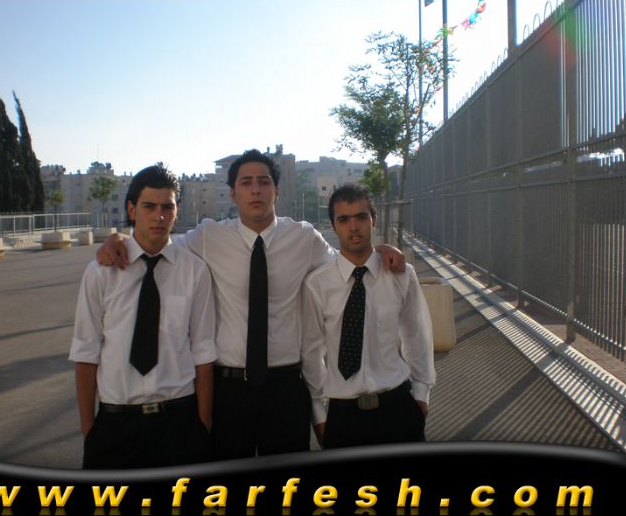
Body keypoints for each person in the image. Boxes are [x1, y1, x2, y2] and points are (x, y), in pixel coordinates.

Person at [97, 149, 405, 460]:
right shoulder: (209, 236)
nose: (256, 190)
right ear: (233, 193)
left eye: (263, 181)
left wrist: (380, 249)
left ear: (276, 191)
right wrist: (120, 238)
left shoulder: (303, 238)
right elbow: (158, 244)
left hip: (285, 388)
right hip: (228, 391)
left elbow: (345, 264)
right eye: (246, 183)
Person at [69, 165, 216, 469]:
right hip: (116, 424)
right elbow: (86, 352)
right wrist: (89, 431)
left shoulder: (194, 270)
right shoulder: (101, 272)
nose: (159, 216)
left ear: (177, 210)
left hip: (179, 422)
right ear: (132, 210)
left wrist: (203, 425)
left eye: (167, 207)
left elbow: (203, 350)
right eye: (149, 206)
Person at [302, 183, 435, 449]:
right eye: (344, 219)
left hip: (398, 407)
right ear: (333, 226)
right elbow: (311, 352)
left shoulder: (401, 275)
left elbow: (417, 335)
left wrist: (421, 394)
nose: (354, 227)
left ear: (373, 219)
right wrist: (319, 413)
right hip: (343, 416)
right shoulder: (317, 284)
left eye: (361, 217)